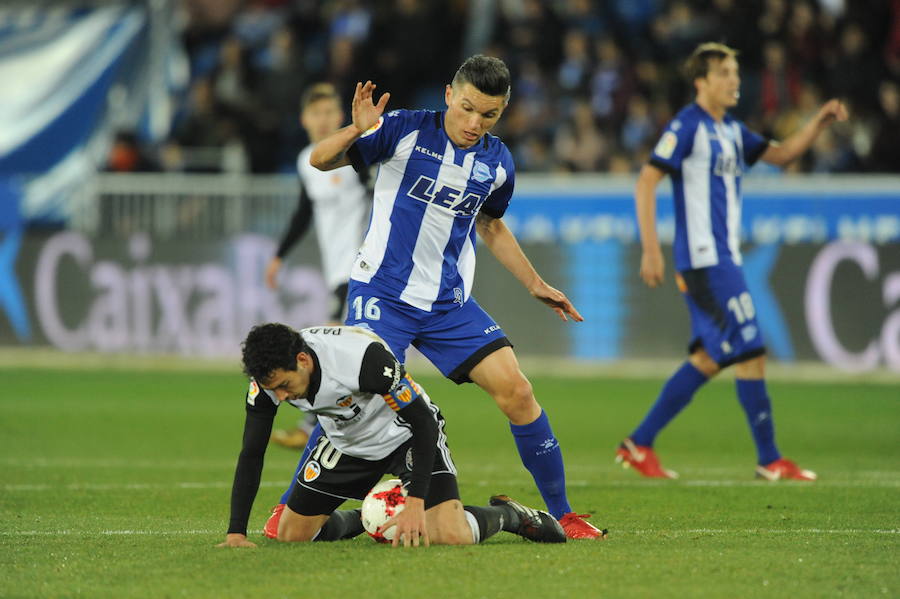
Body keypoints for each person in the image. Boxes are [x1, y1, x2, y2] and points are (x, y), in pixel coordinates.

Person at [282, 54, 603, 539]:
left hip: (447, 304)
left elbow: (491, 225)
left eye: (489, 115)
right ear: (450, 95)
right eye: (468, 108)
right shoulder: (405, 130)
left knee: (518, 392)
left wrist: (535, 283)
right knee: (358, 393)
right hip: (382, 294)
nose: (475, 123)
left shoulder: (498, 162)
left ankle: (562, 514)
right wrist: (356, 129)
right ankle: (294, 504)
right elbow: (320, 159)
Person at [616, 42, 848, 480]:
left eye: (736, 71)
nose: (734, 80)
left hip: (725, 259)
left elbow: (780, 155)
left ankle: (638, 443)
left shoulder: (732, 131)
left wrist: (816, 123)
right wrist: (651, 248)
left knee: (711, 356)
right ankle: (770, 460)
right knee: (752, 347)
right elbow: (647, 181)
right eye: (724, 71)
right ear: (701, 81)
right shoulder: (687, 126)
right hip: (705, 260)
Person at [216, 323, 567, 548]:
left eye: (284, 386)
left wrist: (415, 503)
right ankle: (373, 519)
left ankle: (509, 515)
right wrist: (236, 532)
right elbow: (252, 453)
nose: (280, 397)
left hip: (404, 435)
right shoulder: (266, 383)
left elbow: (423, 423)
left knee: (450, 536)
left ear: (303, 360)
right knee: (291, 535)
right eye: (272, 389)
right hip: (346, 443)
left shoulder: (361, 360)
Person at [264, 83, 371, 450]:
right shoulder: (307, 162)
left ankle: (314, 425)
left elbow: (378, 194)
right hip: (336, 270)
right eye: (317, 114)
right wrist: (279, 255)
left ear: (340, 116)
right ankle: (344, 423)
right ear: (304, 119)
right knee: (344, 347)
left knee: (329, 342)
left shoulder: (358, 152)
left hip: (362, 266)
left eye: (330, 113)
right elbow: (304, 211)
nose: (324, 120)